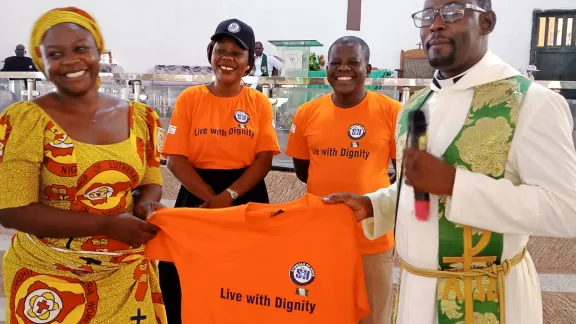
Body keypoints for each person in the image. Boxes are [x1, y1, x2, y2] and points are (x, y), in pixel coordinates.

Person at [324, 0, 576, 323]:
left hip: (488, 296)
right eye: (428, 16)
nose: (437, 24)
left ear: (487, 22)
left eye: (453, 12)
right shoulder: (415, 106)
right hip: (415, 291)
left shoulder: (530, 103)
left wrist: (455, 184)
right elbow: (419, 193)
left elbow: (567, 207)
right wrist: (375, 205)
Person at [0, 7, 167, 323]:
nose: (71, 60)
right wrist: (107, 225)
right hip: (49, 281)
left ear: (98, 51)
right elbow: (12, 210)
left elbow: (150, 180)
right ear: (42, 61)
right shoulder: (27, 121)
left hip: (125, 277)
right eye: (56, 53)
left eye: (80, 48)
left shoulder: (141, 118)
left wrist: (146, 205)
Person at [159, 18, 281, 323]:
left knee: (247, 274)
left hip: (246, 193)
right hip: (197, 193)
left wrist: (229, 196)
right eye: (221, 50)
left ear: (249, 63)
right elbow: (175, 158)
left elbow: (264, 159)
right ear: (210, 55)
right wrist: (212, 199)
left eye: (237, 53)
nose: (227, 58)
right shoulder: (190, 99)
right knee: (180, 273)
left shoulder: (258, 103)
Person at [286, 36, 401, 324]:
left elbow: (405, 176)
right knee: (321, 316)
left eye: (353, 62)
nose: (343, 69)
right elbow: (303, 171)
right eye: (336, 63)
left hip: (371, 241)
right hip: (319, 239)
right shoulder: (307, 113)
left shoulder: (392, 113)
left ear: (369, 68)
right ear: (326, 68)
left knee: (374, 318)